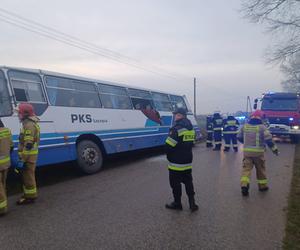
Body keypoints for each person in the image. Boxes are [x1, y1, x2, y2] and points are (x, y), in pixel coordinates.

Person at [237, 110, 279, 196]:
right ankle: (262, 186)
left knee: (246, 170)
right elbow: (269, 140)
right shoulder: (262, 127)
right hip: (259, 154)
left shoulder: (245, 126)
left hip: (247, 153)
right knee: (261, 170)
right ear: (260, 118)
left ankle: (244, 185)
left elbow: (239, 137)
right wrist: (275, 150)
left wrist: (246, 143)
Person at [165, 108, 198, 212]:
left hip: (176, 162)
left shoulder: (176, 129)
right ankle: (192, 203)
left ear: (180, 115)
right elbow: (191, 143)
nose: (175, 116)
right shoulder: (191, 129)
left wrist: (168, 156)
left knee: (175, 184)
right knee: (188, 182)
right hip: (187, 162)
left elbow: (169, 146)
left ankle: (177, 203)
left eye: (176, 114)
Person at [16, 103, 40, 204]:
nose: (18, 115)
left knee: (28, 177)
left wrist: (22, 159)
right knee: (27, 176)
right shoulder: (27, 123)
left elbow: (28, 145)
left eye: (19, 113)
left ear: (25, 114)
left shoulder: (29, 125)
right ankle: (28, 195)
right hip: (29, 156)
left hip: (28, 157)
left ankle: (30, 198)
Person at [0, 119, 13, 216]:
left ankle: (2, 209)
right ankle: (4, 204)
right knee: (3, 184)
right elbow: (11, 146)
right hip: (6, 163)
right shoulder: (7, 130)